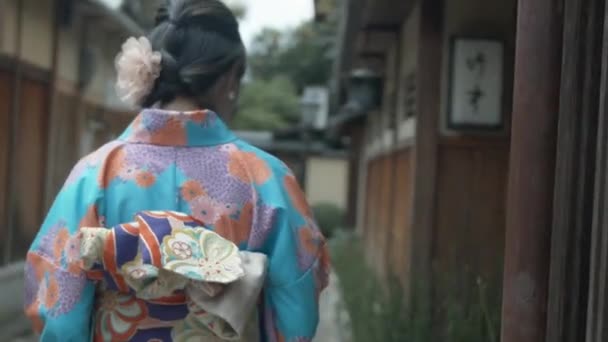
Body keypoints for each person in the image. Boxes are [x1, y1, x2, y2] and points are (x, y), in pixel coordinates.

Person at [23, 0, 330, 341]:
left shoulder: (94, 173)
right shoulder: (269, 179)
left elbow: (55, 297)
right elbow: (297, 307)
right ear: (230, 78)